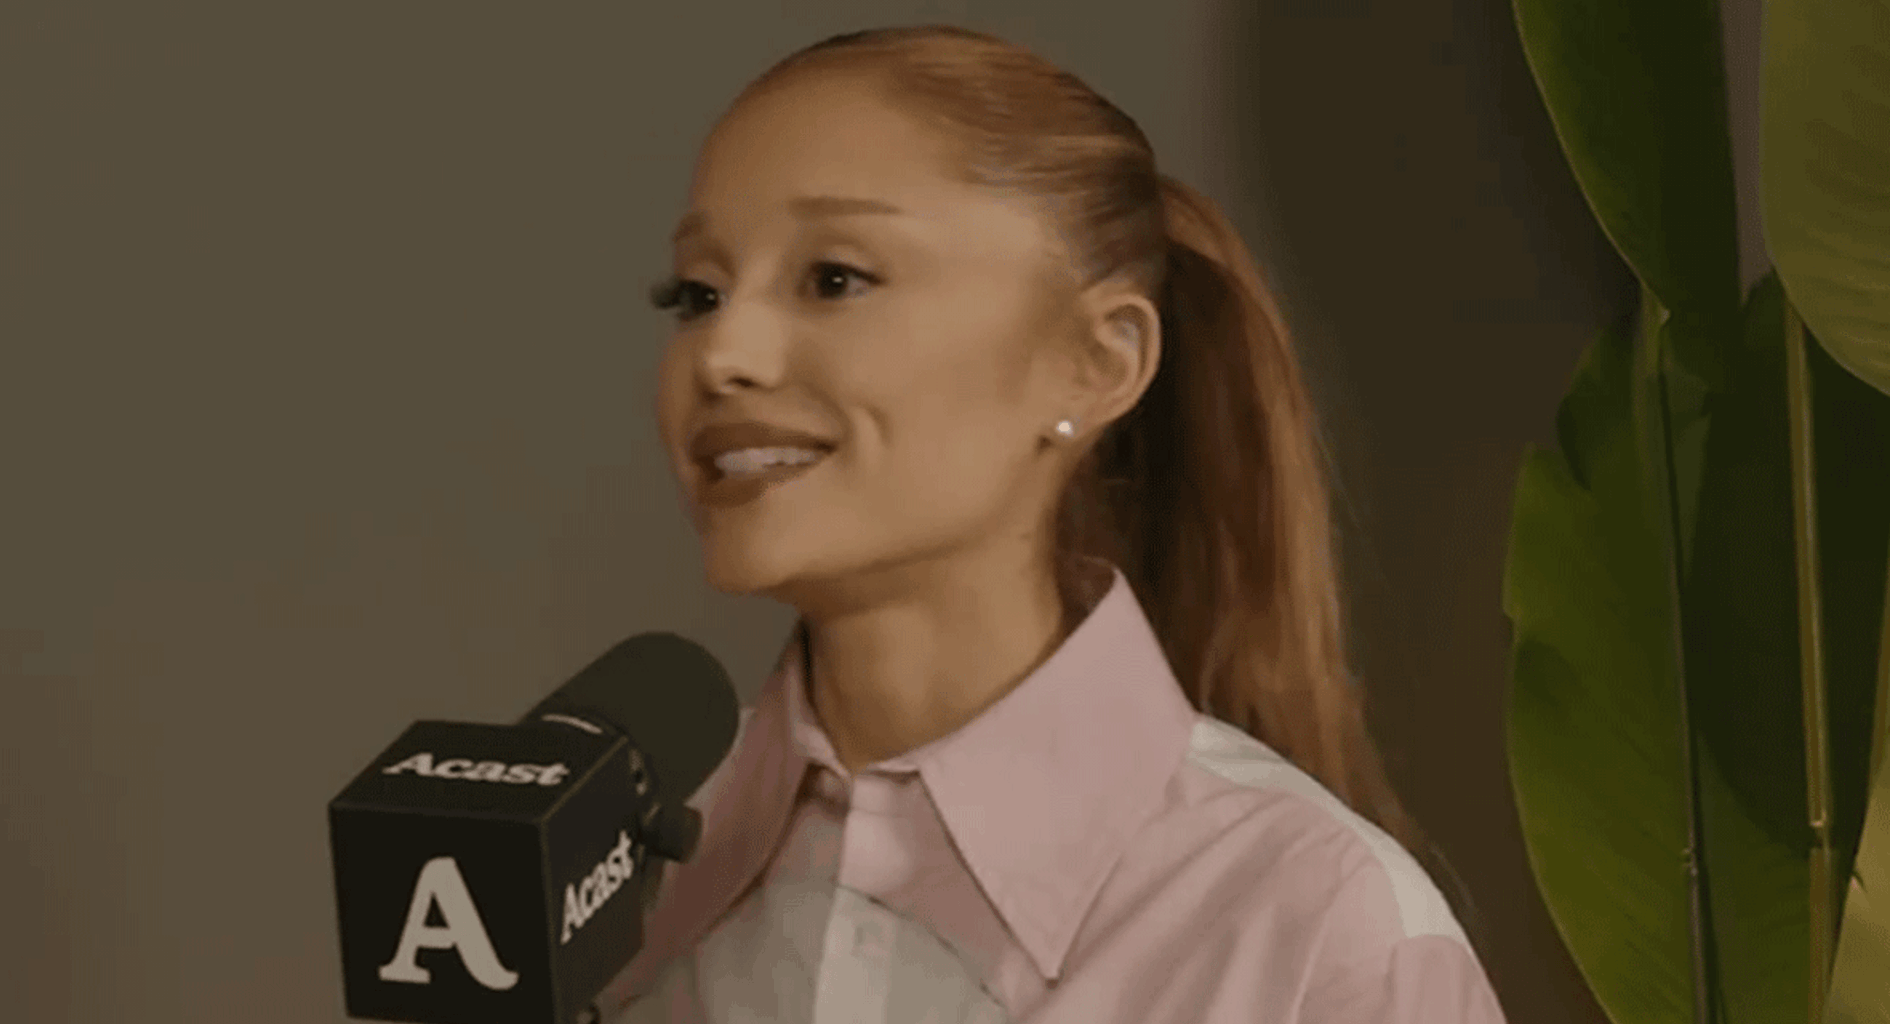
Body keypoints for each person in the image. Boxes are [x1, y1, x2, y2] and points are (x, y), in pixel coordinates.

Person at [600, 23, 1508, 1023]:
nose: (724, 352)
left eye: (835, 279)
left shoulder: (1316, 929)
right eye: (697, 294)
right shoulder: (595, 874)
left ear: (1097, 363)